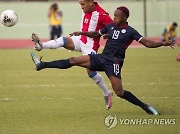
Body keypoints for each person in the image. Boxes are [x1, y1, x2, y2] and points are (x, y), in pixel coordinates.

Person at [31, 6, 174, 114]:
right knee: (74, 60)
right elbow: (95, 34)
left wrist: (162, 43)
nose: (114, 18)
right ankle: (42, 65)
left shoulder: (131, 31)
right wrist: (82, 33)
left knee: (120, 92)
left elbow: (147, 43)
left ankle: (145, 107)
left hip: (114, 63)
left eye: (117, 16)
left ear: (124, 17)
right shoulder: (110, 26)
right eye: (114, 15)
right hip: (101, 58)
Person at [32, 0, 113, 110]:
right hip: (80, 39)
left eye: (83, 4)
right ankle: (41, 45)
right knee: (63, 40)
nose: (81, 7)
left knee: (90, 72)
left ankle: (107, 92)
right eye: (80, 4)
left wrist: (108, 34)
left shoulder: (102, 14)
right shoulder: (85, 11)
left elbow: (114, 27)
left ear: (90, 2)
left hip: (91, 45)